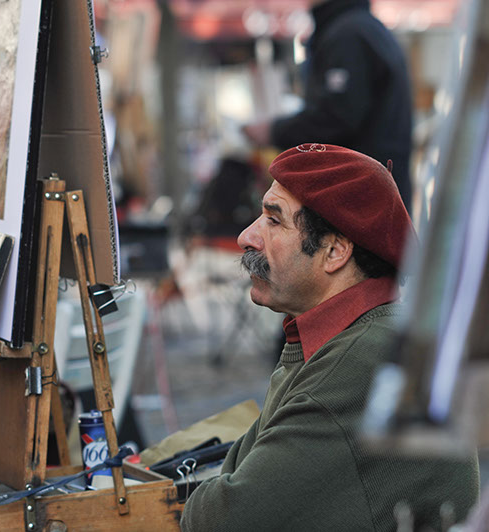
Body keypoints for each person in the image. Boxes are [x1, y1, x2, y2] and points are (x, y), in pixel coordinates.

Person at [180, 144, 479, 531]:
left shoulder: (363, 360)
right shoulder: (354, 334)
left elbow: (220, 520)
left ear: (335, 251)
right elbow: (242, 469)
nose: (245, 237)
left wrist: (210, 496)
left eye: (274, 221)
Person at [243, 0, 413, 210]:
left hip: (362, 199)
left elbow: (336, 118)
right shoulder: (359, 27)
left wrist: (274, 131)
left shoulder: (349, 34)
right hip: (373, 194)